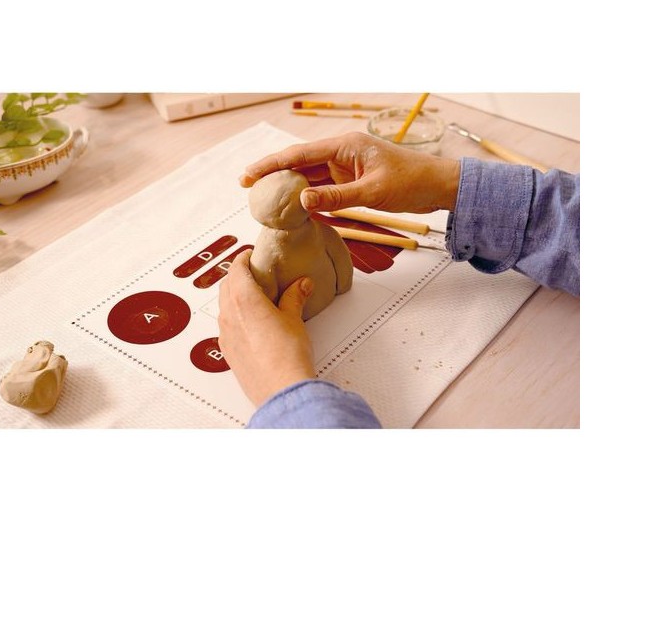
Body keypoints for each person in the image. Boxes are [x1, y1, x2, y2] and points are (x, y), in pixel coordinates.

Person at [217, 131, 580, 429]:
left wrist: (283, 387)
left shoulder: (305, 236)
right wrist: (444, 183)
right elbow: (334, 255)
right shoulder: (303, 237)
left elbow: (329, 257)